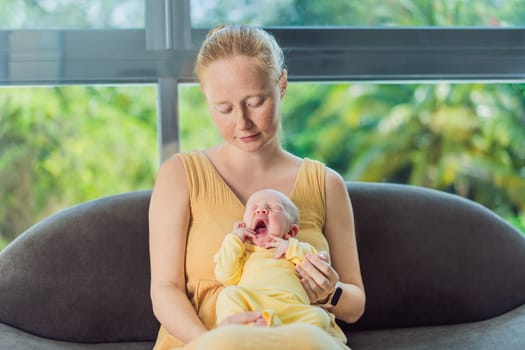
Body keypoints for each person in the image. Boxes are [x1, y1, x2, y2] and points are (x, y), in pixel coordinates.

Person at [149, 24, 365, 350]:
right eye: (224, 108)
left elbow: (355, 303)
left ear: (281, 85)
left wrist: (330, 291)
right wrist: (215, 340)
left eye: (255, 102)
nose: (242, 122)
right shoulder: (179, 175)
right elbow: (164, 290)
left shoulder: (325, 183)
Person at [214, 188, 344, 342]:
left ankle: (276, 332)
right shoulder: (244, 252)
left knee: (320, 317)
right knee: (228, 295)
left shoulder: (296, 248)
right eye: (254, 208)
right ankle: (251, 330)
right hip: (254, 303)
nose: (261, 210)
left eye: (274, 208)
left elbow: (314, 264)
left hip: (292, 308)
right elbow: (224, 275)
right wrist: (235, 239)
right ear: (243, 224)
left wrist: (291, 247)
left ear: (291, 231)